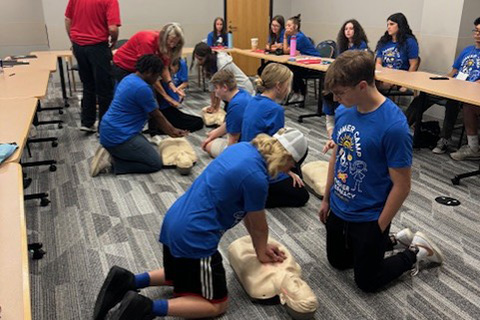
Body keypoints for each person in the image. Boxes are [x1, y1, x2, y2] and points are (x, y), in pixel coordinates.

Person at [92, 128, 308, 320]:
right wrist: (261, 252)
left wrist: (259, 246)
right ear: (287, 157)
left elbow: (249, 217)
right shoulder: (257, 178)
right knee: (217, 305)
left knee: (180, 277)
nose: (287, 171)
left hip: (175, 222)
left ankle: (129, 281)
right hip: (196, 237)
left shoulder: (243, 149)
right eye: (291, 166)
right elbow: (260, 225)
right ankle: (146, 307)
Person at [319, 50, 443, 293]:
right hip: (340, 206)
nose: (335, 98)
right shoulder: (345, 110)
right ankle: (394, 240)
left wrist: (378, 226)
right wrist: (326, 198)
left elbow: (402, 186)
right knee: (339, 262)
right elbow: (337, 155)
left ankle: (417, 250)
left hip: (369, 215)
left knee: (367, 282)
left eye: (340, 92)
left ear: (362, 86)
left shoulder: (393, 127)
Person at [89, 55, 186, 177]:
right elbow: (157, 115)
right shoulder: (142, 88)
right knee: (154, 163)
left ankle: (115, 153)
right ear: (149, 72)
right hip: (119, 136)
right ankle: (112, 163)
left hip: (111, 130)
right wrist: (172, 131)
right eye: (157, 75)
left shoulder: (128, 78)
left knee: (147, 151)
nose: (158, 79)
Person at [409, 17, 480, 156]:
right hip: (454, 85)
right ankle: (401, 129)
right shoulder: (467, 51)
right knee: (423, 96)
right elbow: (453, 72)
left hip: (468, 92)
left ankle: (444, 140)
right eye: (476, 31)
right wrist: (441, 82)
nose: (478, 35)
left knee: (452, 101)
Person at [241, 63, 309, 208]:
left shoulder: (253, 100)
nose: (290, 89)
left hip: (249, 158)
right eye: (288, 85)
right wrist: (287, 171)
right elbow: (278, 149)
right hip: (262, 166)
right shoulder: (275, 110)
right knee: (302, 196)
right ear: (279, 86)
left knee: (296, 149)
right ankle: (254, 196)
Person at [112, 24, 199, 135]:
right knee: (142, 96)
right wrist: (166, 96)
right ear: (164, 37)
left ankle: (154, 131)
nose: (172, 45)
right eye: (171, 41)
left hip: (141, 69)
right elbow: (150, 75)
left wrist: (171, 85)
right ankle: (127, 129)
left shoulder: (166, 47)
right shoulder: (147, 41)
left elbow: (163, 67)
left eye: (175, 43)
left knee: (152, 98)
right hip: (123, 66)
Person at [65, 0, 121, 132]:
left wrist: (73, 40)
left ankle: (87, 122)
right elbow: (113, 28)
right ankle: (105, 127)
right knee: (104, 88)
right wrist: (114, 39)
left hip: (79, 47)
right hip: (97, 46)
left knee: (88, 84)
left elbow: (68, 20)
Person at [202, 70, 252, 157]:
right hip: (252, 141)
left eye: (216, 87)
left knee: (208, 146)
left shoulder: (236, 106)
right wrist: (213, 134)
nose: (215, 91)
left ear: (224, 87)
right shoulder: (242, 93)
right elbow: (230, 122)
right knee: (212, 137)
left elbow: (233, 139)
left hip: (247, 147)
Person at [192, 42, 254, 112]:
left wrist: (217, 107)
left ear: (207, 57)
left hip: (242, 88)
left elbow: (220, 87)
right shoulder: (210, 63)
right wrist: (212, 105)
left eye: (200, 59)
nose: (199, 62)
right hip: (229, 89)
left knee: (233, 113)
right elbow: (212, 85)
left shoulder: (222, 63)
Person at [156, 57, 203, 138]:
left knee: (198, 121)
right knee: (197, 123)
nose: (174, 73)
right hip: (164, 109)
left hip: (168, 107)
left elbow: (175, 92)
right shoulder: (161, 79)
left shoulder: (169, 79)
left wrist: (177, 94)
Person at [282, 14, 320, 102]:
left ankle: (301, 93)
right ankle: (296, 92)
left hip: (313, 62)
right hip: (302, 61)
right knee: (289, 68)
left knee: (295, 71)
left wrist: (284, 36)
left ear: (295, 26)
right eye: (286, 26)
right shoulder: (292, 36)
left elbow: (286, 50)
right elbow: (287, 49)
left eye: (289, 25)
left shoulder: (300, 37)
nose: (286, 28)